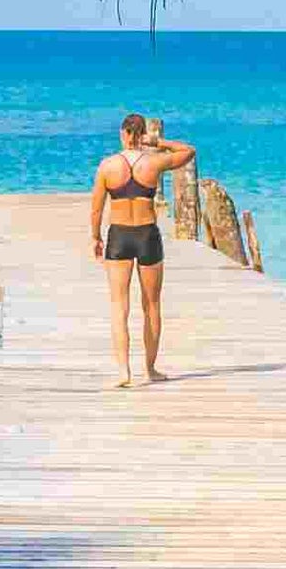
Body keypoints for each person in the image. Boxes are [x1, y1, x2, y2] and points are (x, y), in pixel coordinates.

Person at [85, 111, 197, 387]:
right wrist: (156, 142)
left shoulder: (108, 166)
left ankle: (124, 372)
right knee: (152, 305)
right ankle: (150, 369)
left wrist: (95, 238)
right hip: (147, 236)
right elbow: (188, 151)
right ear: (142, 133)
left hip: (119, 236)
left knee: (118, 306)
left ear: (123, 133)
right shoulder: (154, 162)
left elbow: (97, 207)